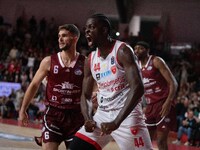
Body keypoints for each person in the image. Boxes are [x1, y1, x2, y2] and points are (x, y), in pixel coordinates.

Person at [68, 14, 153, 150]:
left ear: (104, 30)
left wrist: (116, 122)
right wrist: (88, 118)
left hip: (127, 116)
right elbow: (85, 95)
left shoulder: (122, 51)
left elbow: (137, 88)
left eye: (92, 27)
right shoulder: (90, 59)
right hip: (102, 115)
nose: (87, 31)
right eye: (86, 29)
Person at [19, 24, 86, 150]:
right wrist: (23, 109)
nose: (60, 39)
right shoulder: (48, 61)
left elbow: (93, 88)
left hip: (76, 115)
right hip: (53, 114)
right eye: (59, 36)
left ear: (75, 38)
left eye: (64, 36)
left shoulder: (85, 62)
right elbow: (34, 85)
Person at [134, 41, 178, 150]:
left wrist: (169, 102)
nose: (137, 51)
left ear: (147, 50)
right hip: (150, 106)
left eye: (140, 48)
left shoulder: (156, 61)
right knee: (145, 141)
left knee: (161, 141)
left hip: (163, 103)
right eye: (135, 48)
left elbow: (173, 83)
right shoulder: (136, 66)